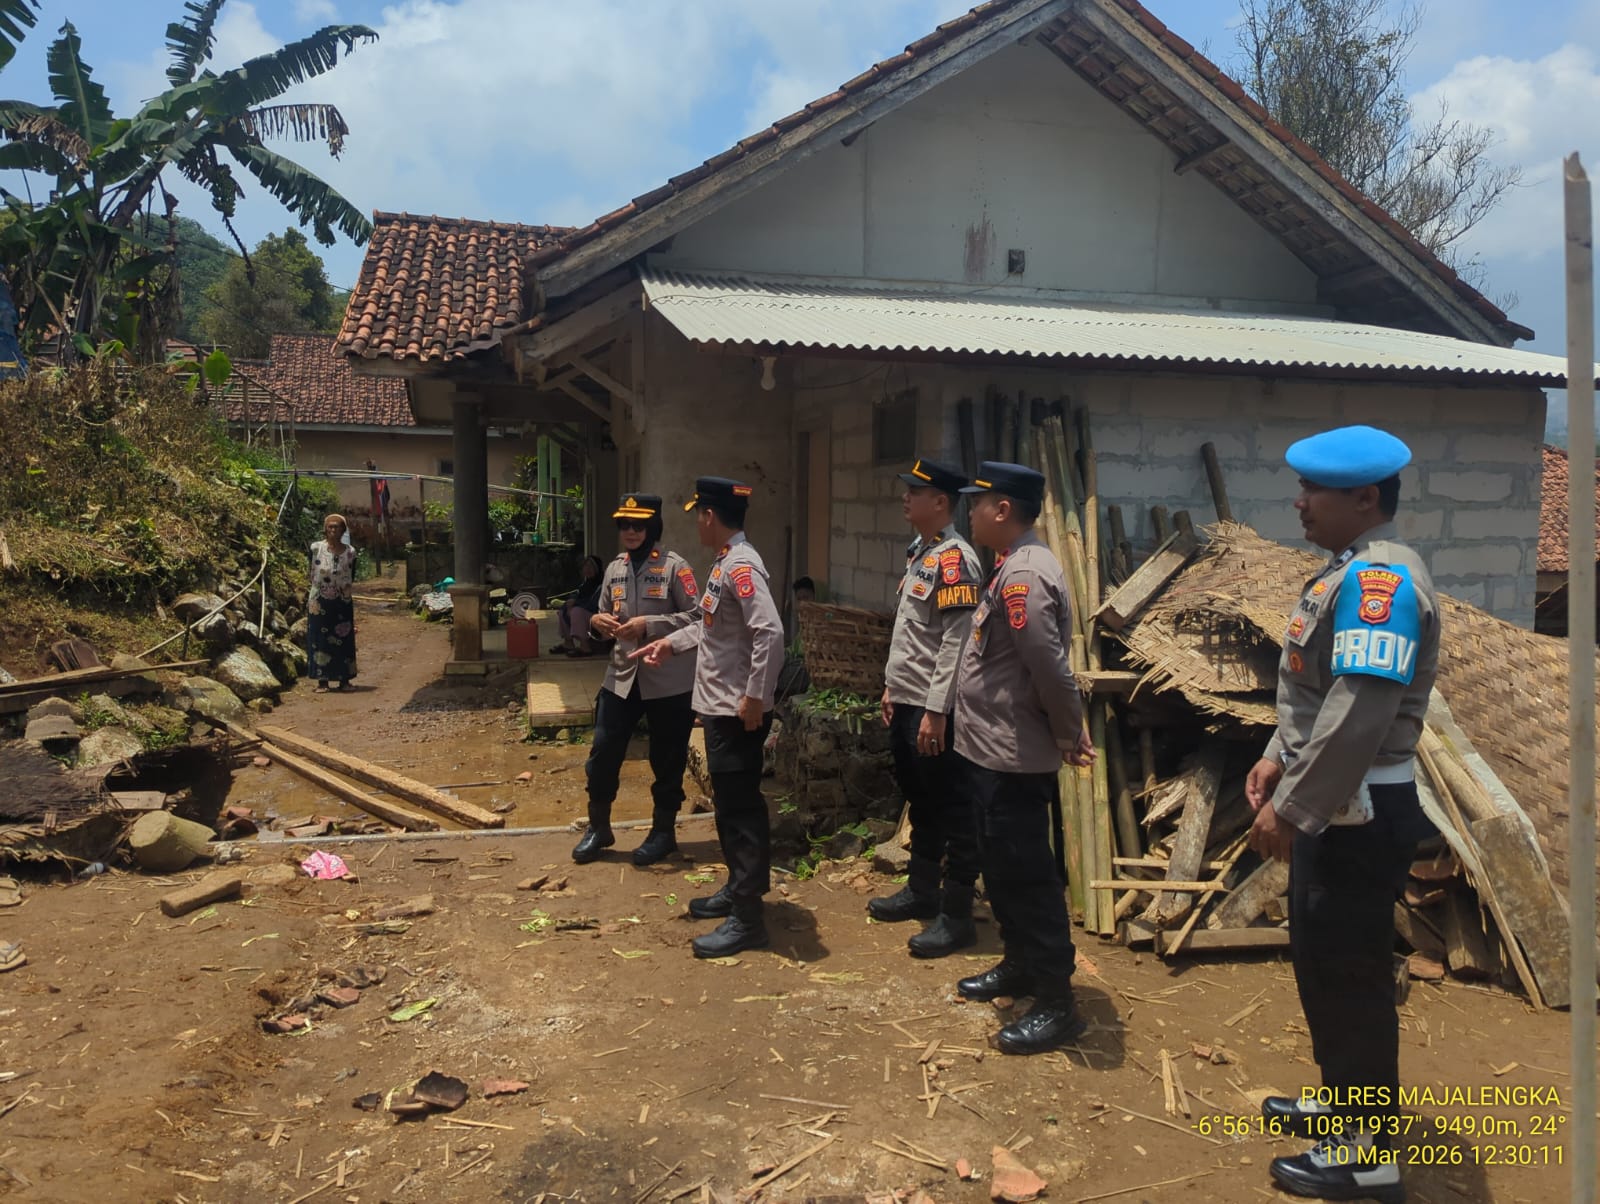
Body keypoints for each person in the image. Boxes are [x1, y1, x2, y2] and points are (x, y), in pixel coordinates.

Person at [1244, 426, 1438, 1204]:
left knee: (1350, 979)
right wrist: (1275, 753)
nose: (1300, 502)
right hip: (1341, 802)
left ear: (1364, 498)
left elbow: (1359, 712)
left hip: (1360, 808)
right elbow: (1316, 690)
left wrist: (1292, 807)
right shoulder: (1349, 571)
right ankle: (1345, 1104)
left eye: (1313, 489)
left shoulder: (1381, 583)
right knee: (1324, 967)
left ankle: (1367, 1158)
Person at [949, 462, 1096, 1055]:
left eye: (977, 503)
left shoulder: (1025, 574)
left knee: (1029, 877)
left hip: (1012, 756)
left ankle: (1057, 1001)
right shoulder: (1010, 564)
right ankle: (1019, 964)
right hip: (990, 751)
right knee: (1002, 869)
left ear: (1003, 509)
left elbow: (1048, 666)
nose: (971, 513)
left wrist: (1068, 732)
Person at [632, 477, 784, 958]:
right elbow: (708, 624)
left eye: (698, 514)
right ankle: (738, 890)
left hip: (738, 712)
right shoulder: (725, 562)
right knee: (729, 807)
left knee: (741, 813)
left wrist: (756, 696)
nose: (696, 522)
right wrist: (669, 643)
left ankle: (748, 919)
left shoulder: (742, 566)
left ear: (710, 516)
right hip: (721, 708)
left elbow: (770, 632)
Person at [872, 457, 983, 958]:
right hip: (908, 699)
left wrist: (937, 710)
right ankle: (921, 891)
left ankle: (957, 916)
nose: (905, 497)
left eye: (914, 492)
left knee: (955, 807)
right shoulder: (922, 552)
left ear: (940, 502)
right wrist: (892, 687)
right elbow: (914, 637)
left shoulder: (956, 560)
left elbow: (957, 642)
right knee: (921, 800)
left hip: (934, 709)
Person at [571, 495, 701, 866]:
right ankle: (599, 827)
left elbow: (698, 618)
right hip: (621, 677)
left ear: (652, 527)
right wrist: (596, 623)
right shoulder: (615, 568)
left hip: (668, 680)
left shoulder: (675, 568)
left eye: (638, 525)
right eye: (624, 525)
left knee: (667, 758)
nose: (630, 531)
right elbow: (601, 616)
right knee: (603, 752)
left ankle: (663, 832)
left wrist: (650, 624)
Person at [307, 513, 358, 692]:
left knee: (344, 638)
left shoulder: (350, 552)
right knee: (319, 640)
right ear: (325, 529)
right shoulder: (316, 548)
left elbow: (352, 575)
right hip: (319, 602)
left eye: (337, 526)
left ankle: (344, 680)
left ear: (343, 530)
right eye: (330, 526)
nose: (333, 529)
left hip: (342, 601)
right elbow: (310, 571)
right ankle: (322, 681)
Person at [552, 555, 604, 656]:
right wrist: (568, 606)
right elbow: (575, 597)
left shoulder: (601, 585)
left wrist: (574, 604)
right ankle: (568, 643)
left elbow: (593, 604)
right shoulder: (584, 585)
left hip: (598, 617)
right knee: (562, 611)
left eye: (591, 566)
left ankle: (585, 647)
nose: (588, 569)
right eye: (586, 566)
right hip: (586, 613)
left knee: (576, 611)